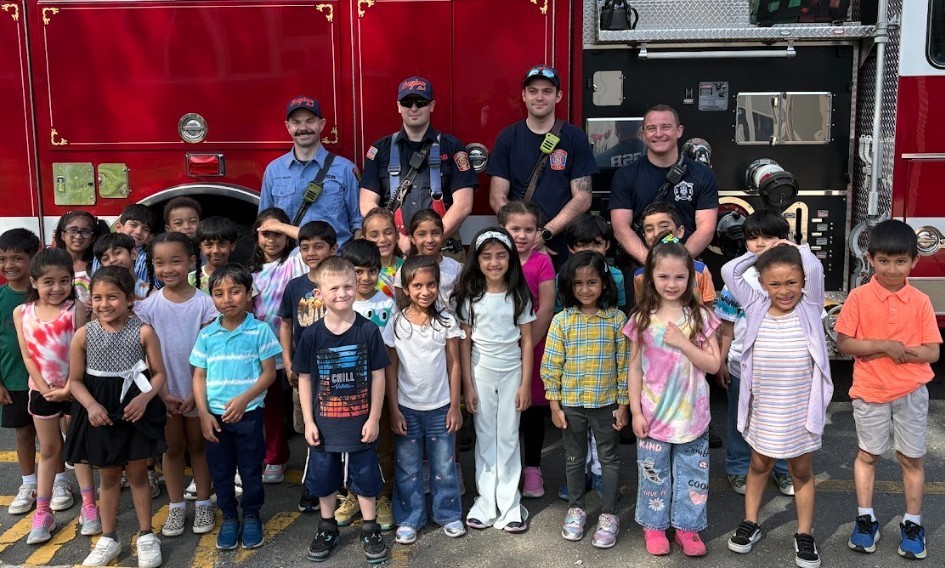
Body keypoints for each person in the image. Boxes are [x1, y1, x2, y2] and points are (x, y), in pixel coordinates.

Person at [835, 220, 942, 560]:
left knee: (911, 458)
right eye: (883, 261)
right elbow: (844, 343)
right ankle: (865, 518)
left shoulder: (921, 301)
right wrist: (885, 346)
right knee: (868, 454)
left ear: (914, 262)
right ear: (870, 259)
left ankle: (913, 523)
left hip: (911, 392)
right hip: (869, 390)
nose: (892, 269)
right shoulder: (859, 297)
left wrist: (898, 350)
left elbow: (932, 352)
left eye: (900, 262)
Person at [722, 242, 833, 568]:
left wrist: (794, 247)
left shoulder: (810, 307)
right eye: (775, 283)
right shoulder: (755, 306)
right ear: (762, 284)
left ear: (802, 283)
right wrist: (762, 255)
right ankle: (751, 522)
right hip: (765, 408)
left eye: (791, 283)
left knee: (801, 471)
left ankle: (804, 532)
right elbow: (730, 271)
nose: (784, 290)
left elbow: (813, 266)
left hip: (800, 409)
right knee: (759, 465)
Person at [63, 266, 168, 568]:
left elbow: (159, 374)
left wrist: (146, 398)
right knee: (108, 477)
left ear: (129, 298)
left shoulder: (143, 331)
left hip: (135, 409)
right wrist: (91, 406)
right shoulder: (83, 335)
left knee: (137, 474)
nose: (104, 304)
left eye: (113, 297)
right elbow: (76, 381)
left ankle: (147, 535)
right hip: (100, 411)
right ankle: (109, 538)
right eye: (98, 298)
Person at [624, 235, 721, 557]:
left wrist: (683, 343)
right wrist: (635, 412)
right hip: (653, 416)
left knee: (694, 477)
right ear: (650, 277)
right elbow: (634, 369)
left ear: (691, 279)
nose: (672, 283)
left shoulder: (701, 318)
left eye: (680, 276)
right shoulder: (640, 320)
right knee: (654, 475)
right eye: (663, 276)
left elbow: (713, 363)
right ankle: (653, 526)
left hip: (693, 416)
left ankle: (687, 528)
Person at [293, 257, 390, 564]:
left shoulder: (368, 331)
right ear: (319, 293)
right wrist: (308, 421)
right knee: (324, 478)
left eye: (348, 286)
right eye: (333, 288)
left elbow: (378, 375)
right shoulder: (311, 335)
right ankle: (327, 527)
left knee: (365, 477)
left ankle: (370, 528)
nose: (342, 293)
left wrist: (374, 417)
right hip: (324, 424)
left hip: (360, 423)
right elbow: (305, 379)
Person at [190, 264, 282, 551]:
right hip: (215, 417)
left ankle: (251, 514)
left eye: (235, 291)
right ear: (212, 298)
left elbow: (269, 373)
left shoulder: (260, 330)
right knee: (221, 470)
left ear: (248, 293)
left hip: (249, 415)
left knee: (251, 469)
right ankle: (230, 517)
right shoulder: (207, 334)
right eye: (219, 293)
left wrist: (244, 398)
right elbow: (199, 375)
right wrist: (203, 413)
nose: (227, 298)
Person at [541, 251, 628, 550]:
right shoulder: (561, 321)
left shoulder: (617, 319)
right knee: (574, 458)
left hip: (606, 404)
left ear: (604, 283)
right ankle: (576, 508)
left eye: (592, 282)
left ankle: (608, 514)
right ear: (568, 286)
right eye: (577, 283)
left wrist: (624, 404)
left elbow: (625, 365)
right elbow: (551, 365)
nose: (585, 289)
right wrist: (554, 404)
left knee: (609, 459)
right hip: (571, 405)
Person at [134, 233, 218, 537]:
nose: (168, 268)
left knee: (199, 447)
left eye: (176, 261)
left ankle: (204, 502)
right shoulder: (148, 307)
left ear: (192, 262)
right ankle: (176, 506)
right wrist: (161, 393)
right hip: (164, 393)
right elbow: (142, 357)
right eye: (159, 263)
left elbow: (211, 353)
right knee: (171, 449)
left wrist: (198, 396)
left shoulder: (206, 305)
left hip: (197, 391)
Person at [455, 228, 535, 533]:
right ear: (476, 260)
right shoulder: (470, 296)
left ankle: (510, 503)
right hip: (481, 371)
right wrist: (467, 386)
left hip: (512, 371)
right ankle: (486, 502)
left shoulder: (518, 294)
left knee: (509, 435)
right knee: (486, 435)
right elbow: (465, 342)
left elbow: (526, 342)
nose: (493, 262)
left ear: (510, 258)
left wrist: (526, 384)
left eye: (501, 255)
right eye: (486, 256)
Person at [384, 255, 466, 545]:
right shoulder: (396, 323)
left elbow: (454, 364)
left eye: (431, 284)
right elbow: (391, 368)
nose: (425, 291)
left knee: (443, 466)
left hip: (441, 407)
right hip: (407, 408)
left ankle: (448, 513)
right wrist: (393, 410)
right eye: (417, 285)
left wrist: (455, 405)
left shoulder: (446, 321)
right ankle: (410, 518)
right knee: (408, 467)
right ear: (405, 288)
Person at [714, 210, 795, 497]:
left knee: (783, 419)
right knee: (741, 418)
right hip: (742, 365)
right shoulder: (740, 278)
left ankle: (784, 470)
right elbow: (725, 324)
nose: (760, 244)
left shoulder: (797, 276)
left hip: (784, 367)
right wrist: (721, 361)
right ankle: (738, 467)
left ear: (784, 239)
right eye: (753, 238)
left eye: (769, 237)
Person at [13, 248, 92, 543]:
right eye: (48, 282)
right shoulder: (22, 312)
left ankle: (90, 505)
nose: (57, 288)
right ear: (34, 282)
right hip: (41, 391)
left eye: (63, 281)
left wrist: (71, 385)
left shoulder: (77, 310)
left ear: (72, 281)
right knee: (49, 450)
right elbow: (28, 356)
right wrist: (44, 388)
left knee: (78, 448)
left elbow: (83, 351)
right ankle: (43, 512)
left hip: (76, 389)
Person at [488, 65, 598, 261]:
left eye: (547, 91)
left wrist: (545, 233)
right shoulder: (508, 138)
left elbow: (583, 197)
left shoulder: (575, 137)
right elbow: (497, 197)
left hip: (562, 245)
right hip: (518, 246)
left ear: (558, 96)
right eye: (533, 91)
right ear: (523, 96)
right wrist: (524, 236)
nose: (539, 97)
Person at [359, 76, 478, 254]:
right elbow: (366, 204)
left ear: (432, 106)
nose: (413, 108)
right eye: (407, 102)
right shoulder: (379, 150)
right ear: (399, 106)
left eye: (420, 102)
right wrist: (398, 240)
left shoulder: (453, 147)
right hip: (395, 251)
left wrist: (429, 241)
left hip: (442, 250)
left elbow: (464, 204)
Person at [276, 221, 338, 509]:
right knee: (309, 429)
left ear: (334, 249)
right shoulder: (295, 286)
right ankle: (314, 483)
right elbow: (286, 326)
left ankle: (340, 485)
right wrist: (289, 363)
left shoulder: (340, 284)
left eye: (318, 246)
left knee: (338, 426)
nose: (311, 252)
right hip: (304, 373)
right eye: (305, 248)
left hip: (336, 371)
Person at [609, 104, 719, 266]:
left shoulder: (702, 174)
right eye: (651, 128)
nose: (659, 134)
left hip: (686, 266)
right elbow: (621, 229)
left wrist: (679, 262)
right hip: (640, 267)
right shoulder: (625, 176)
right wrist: (652, 263)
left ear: (679, 131)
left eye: (665, 127)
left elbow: (706, 228)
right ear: (643, 134)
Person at [336, 239, 396, 530]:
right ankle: (352, 495)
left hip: (379, 386)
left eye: (371, 271)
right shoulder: (338, 305)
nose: (365, 278)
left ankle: (382, 495)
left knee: (382, 443)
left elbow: (393, 352)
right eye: (357, 271)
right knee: (350, 445)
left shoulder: (387, 302)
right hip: (347, 391)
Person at [497, 201, 554, 499]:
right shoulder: (494, 260)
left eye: (529, 229)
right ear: (501, 229)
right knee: (504, 410)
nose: (522, 235)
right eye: (514, 228)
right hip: (500, 347)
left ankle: (532, 467)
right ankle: (506, 468)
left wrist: (529, 344)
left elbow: (546, 307)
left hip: (534, 344)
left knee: (531, 410)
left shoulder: (542, 262)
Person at [259, 95, 362, 248]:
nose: (303, 128)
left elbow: (358, 222)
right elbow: (265, 223)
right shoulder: (274, 171)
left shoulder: (345, 169)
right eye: (296, 122)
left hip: (334, 262)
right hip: (290, 263)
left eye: (310, 121)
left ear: (322, 124)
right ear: (288, 127)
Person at [251, 208, 307, 485]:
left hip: (296, 346)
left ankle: (313, 459)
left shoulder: (296, 261)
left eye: (277, 234)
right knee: (269, 407)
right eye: (265, 234)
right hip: (263, 350)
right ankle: (275, 458)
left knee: (302, 406)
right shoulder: (250, 270)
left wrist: (283, 226)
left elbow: (308, 236)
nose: (272, 240)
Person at [0, 229, 41, 517]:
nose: (9, 265)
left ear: (33, 258)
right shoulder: (0, 297)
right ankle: (28, 484)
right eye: (3, 259)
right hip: (12, 378)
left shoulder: (45, 293)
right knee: (23, 433)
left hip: (45, 379)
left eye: (17, 258)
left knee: (52, 434)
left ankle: (59, 482)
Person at [632, 202, 715, 306]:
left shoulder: (700, 271)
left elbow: (708, 309)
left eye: (664, 226)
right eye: (649, 229)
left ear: (679, 231)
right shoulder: (640, 275)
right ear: (644, 237)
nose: (657, 233)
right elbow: (642, 307)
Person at [393, 209, 462, 312]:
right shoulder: (404, 270)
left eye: (435, 233)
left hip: (451, 326)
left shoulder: (454, 267)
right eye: (422, 234)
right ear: (412, 239)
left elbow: (461, 304)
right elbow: (401, 307)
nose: (429, 239)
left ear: (442, 235)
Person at [562, 213, 628, 312]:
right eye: (583, 245)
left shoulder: (617, 276)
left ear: (607, 245)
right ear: (571, 248)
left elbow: (621, 309)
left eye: (597, 244)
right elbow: (558, 311)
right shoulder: (563, 276)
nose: (590, 250)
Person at [53, 210, 109, 308]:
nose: (78, 236)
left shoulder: (99, 265)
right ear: (62, 235)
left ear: (93, 238)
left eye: (85, 232)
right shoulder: (52, 264)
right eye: (72, 230)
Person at [189, 216, 239, 295]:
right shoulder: (190, 280)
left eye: (222, 244)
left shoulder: (241, 277)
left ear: (232, 245)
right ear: (200, 246)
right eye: (209, 245)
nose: (215, 250)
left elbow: (247, 307)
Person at [361, 208, 404, 299]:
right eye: (374, 235)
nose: (382, 239)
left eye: (388, 233)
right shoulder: (361, 272)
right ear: (364, 238)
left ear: (397, 235)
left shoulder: (406, 267)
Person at [94, 233, 152, 299]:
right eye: (105, 259)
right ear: (102, 266)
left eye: (117, 253)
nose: (112, 260)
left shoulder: (149, 290)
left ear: (133, 254)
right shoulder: (98, 291)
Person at [114, 204, 157, 284]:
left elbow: (151, 292)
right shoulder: (103, 254)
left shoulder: (147, 261)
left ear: (149, 238)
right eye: (133, 225)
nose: (138, 232)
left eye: (145, 229)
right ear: (119, 227)